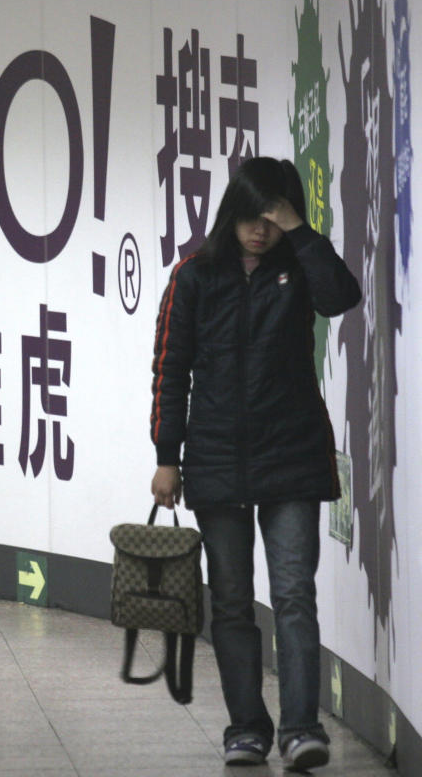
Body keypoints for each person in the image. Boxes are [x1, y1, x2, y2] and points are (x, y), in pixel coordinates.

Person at [149, 157, 361, 770]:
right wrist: (168, 458)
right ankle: (246, 727)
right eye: (252, 216)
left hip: (290, 453)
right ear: (231, 212)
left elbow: (340, 296)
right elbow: (170, 370)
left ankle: (301, 729)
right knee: (234, 602)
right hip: (215, 459)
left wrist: (299, 228)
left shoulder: (300, 266)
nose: (260, 231)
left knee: (294, 594)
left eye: (273, 218)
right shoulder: (194, 275)